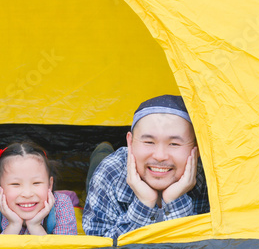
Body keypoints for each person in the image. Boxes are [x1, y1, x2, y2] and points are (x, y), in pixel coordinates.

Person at [82, 95, 209, 240]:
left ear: (197, 148)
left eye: (174, 144)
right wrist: (144, 205)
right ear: (130, 142)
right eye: (149, 142)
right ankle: (101, 152)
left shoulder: (212, 177)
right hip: (107, 178)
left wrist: (175, 201)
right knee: (98, 166)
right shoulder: (109, 173)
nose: (160, 156)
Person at [0, 141, 77, 235]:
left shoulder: (62, 204)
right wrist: (13, 225)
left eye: (36, 183)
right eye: (15, 184)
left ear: (50, 184)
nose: (27, 194)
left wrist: (35, 226)